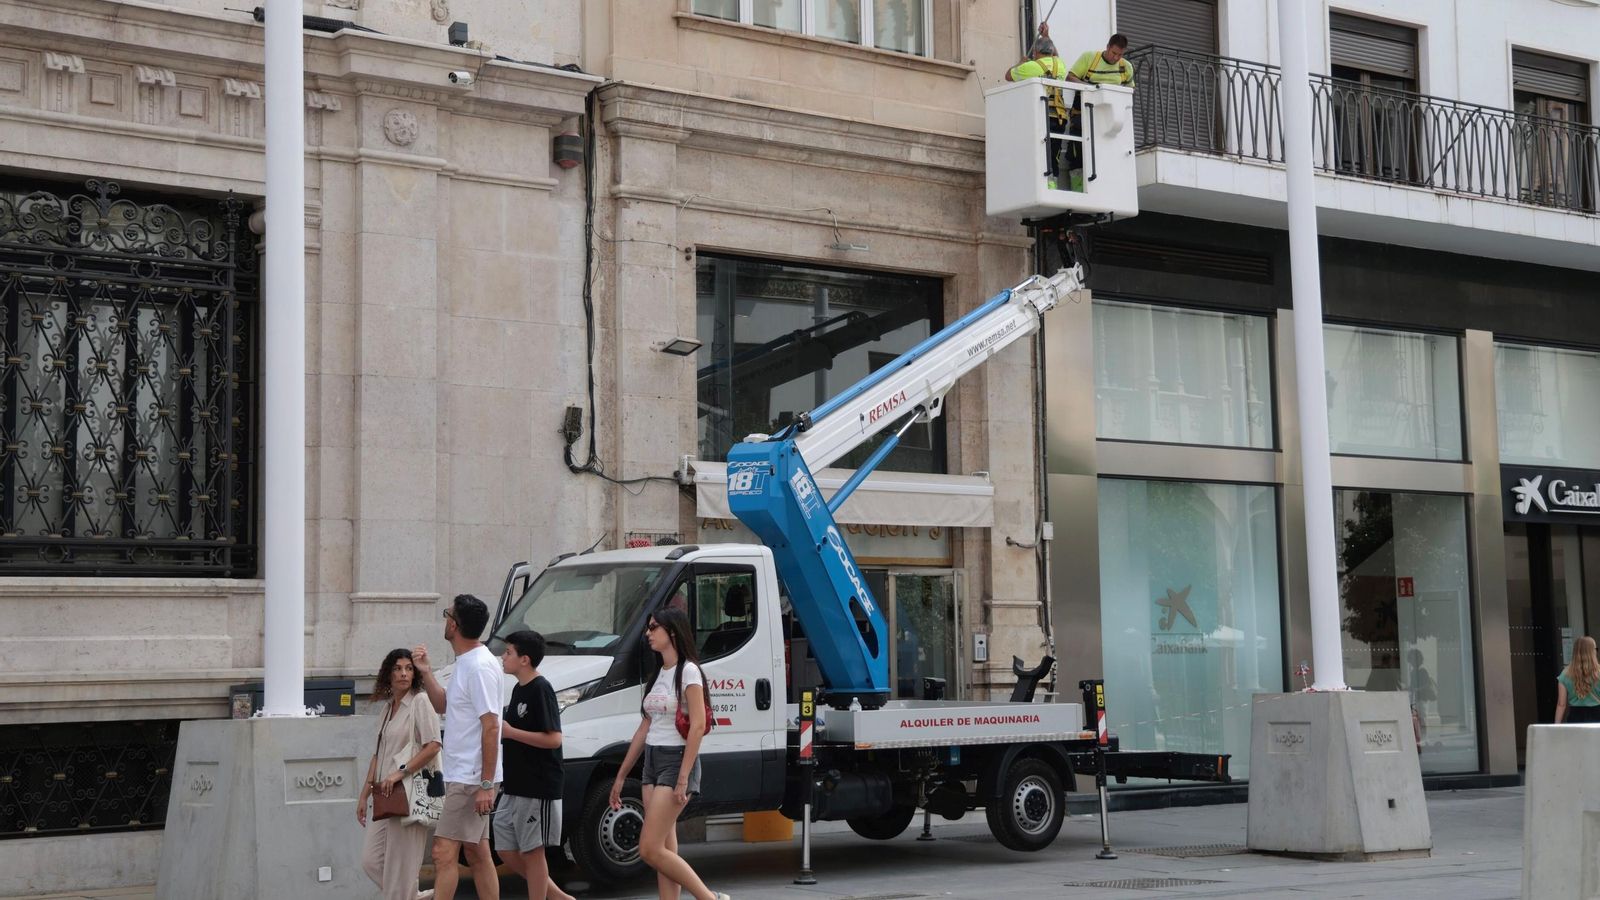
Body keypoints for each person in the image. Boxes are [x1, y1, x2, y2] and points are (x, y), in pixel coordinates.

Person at [610, 607, 732, 900]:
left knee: (649, 848)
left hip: (676, 760)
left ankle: (710, 898)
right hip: (652, 761)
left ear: (672, 632)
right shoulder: (660, 673)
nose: (648, 633)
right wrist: (621, 775)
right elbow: (644, 728)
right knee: (664, 847)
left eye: (654, 628)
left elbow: (699, 724)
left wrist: (683, 777)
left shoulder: (688, 670)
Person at [414, 594, 503, 900]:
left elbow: (491, 726)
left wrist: (486, 784)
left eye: (446, 615)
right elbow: (445, 705)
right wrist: (425, 672)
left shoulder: (479, 667)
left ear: (454, 624)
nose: (445, 620)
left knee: (442, 852)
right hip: (466, 775)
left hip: (470, 778)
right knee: (477, 854)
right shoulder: (468, 663)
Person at [494, 631, 576, 900]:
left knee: (533, 851)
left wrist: (511, 733)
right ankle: (559, 897)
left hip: (538, 785)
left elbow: (554, 739)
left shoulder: (541, 689)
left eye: (508, 653)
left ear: (525, 659)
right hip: (514, 784)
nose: (503, 658)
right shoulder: (519, 688)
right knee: (505, 848)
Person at [357, 648, 442, 900]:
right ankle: (414, 896)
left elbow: (433, 745)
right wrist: (364, 796)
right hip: (384, 797)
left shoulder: (420, 701)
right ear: (388, 674)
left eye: (408, 668)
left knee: (401, 869)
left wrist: (399, 773)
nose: (404, 673)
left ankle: (409, 895)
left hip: (409, 794)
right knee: (371, 861)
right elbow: (377, 755)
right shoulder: (387, 710)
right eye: (397, 668)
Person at [1003, 24, 1073, 189]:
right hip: (1060, 118)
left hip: (1043, 117)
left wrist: (1019, 64)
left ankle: (1042, 185)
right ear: (1051, 51)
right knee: (1053, 154)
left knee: (1039, 154)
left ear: (1035, 53)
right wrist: (1047, 36)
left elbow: (1008, 76)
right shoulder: (1059, 65)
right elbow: (1056, 55)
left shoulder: (1030, 67)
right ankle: (1052, 185)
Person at [1556, 635, 1600, 724]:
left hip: (1575, 717)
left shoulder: (1565, 674)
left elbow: (1561, 704)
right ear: (1592, 651)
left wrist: (1556, 725)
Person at [1068, 33, 1136, 87]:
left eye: (1120, 55)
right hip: (1085, 101)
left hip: (1114, 103)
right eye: (1114, 53)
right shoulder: (1088, 57)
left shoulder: (1127, 66)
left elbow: (1131, 90)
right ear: (1108, 47)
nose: (1116, 58)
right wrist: (1092, 89)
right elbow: (1069, 78)